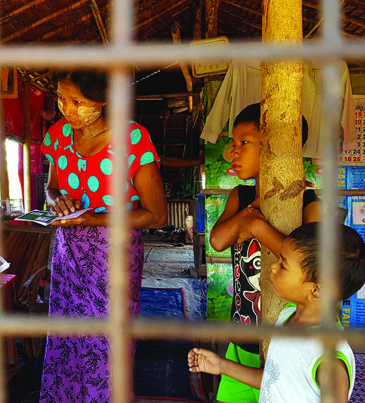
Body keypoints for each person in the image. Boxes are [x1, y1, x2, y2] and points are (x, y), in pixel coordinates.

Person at [39, 70, 167, 402]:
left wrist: (93, 219)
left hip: (114, 259)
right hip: (69, 256)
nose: (66, 108)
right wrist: (57, 201)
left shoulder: (133, 140)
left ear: (105, 97)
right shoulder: (58, 135)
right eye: (61, 98)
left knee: (108, 344)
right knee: (68, 339)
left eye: (77, 101)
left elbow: (156, 214)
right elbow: (51, 188)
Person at [209, 103, 319, 402]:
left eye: (244, 143)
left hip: (291, 342)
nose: (233, 152)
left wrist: (258, 228)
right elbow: (218, 240)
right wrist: (255, 207)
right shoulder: (241, 196)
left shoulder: (308, 202)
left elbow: (316, 264)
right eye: (233, 143)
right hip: (243, 332)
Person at [189, 222, 365, 402]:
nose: (273, 266)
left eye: (284, 265)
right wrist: (222, 366)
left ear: (316, 290)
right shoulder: (287, 315)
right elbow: (275, 381)